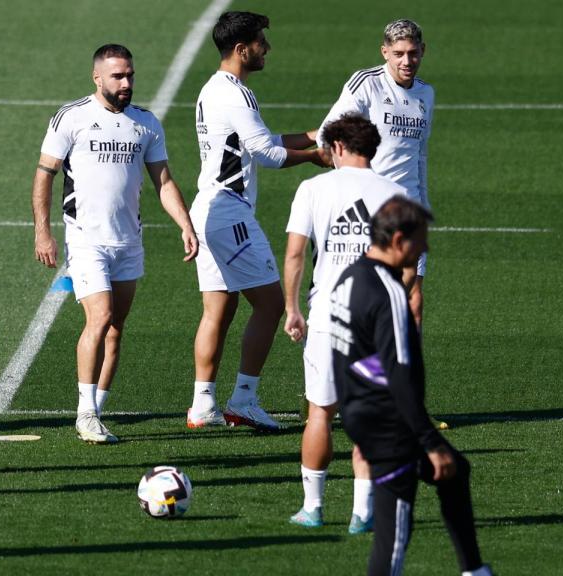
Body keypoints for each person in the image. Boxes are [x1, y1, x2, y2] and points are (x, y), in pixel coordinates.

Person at [33, 44, 198, 444]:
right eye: (118, 76)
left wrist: (185, 223)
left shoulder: (145, 123)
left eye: (130, 76)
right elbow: (45, 174)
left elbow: (163, 180)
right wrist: (43, 230)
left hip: (129, 241)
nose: (126, 83)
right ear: (98, 78)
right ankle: (85, 413)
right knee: (100, 316)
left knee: (115, 328)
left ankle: (97, 411)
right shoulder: (71, 118)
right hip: (87, 240)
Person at [331, 197, 491, 576]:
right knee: (393, 537)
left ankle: (474, 570)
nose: (426, 248)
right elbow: (400, 376)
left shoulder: (348, 278)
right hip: (390, 424)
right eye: (422, 241)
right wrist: (430, 441)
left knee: (456, 472)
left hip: (362, 413)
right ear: (399, 240)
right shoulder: (388, 293)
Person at [186, 11, 328, 431]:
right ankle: (243, 400)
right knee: (270, 304)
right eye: (261, 42)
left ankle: (203, 405)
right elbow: (266, 154)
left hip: (207, 209)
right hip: (229, 212)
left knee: (218, 309)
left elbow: (256, 142)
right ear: (241, 49)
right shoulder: (236, 94)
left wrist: (309, 135)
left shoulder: (215, 89)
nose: (267, 48)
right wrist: (315, 157)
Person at [282, 114, 405, 534]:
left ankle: (313, 508)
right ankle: (362, 513)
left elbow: (296, 254)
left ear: (336, 147)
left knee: (320, 412)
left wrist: (292, 309)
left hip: (327, 317)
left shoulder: (313, 188)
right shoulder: (395, 193)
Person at [318, 19, 434, 327]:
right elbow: (327, 136)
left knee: (413, 301)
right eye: (398, 54)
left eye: (412, 53)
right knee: (371, 299)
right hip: (369, 211)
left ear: (423, 51)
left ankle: (405, 373)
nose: (406, 61)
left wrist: (423, 205)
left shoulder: (426, 95)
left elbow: (420, 154)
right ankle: (362, 368)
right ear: (384, 52)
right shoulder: (366, 83)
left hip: (408, 208)